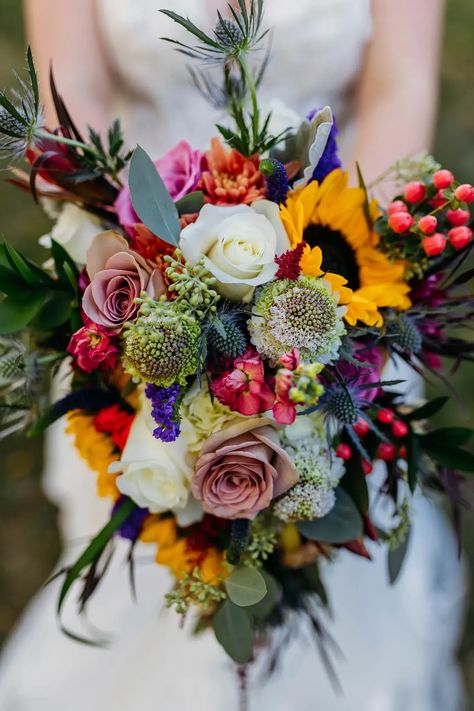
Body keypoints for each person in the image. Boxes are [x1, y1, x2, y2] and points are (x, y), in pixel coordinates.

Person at [0, 1, 466, 709]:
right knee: (148, 564)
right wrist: (153, 271)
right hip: (141, 265)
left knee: (334, 565)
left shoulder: (330, 292)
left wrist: (325, 299)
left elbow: (398, 84)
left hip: (331, 267)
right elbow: (75, 103)